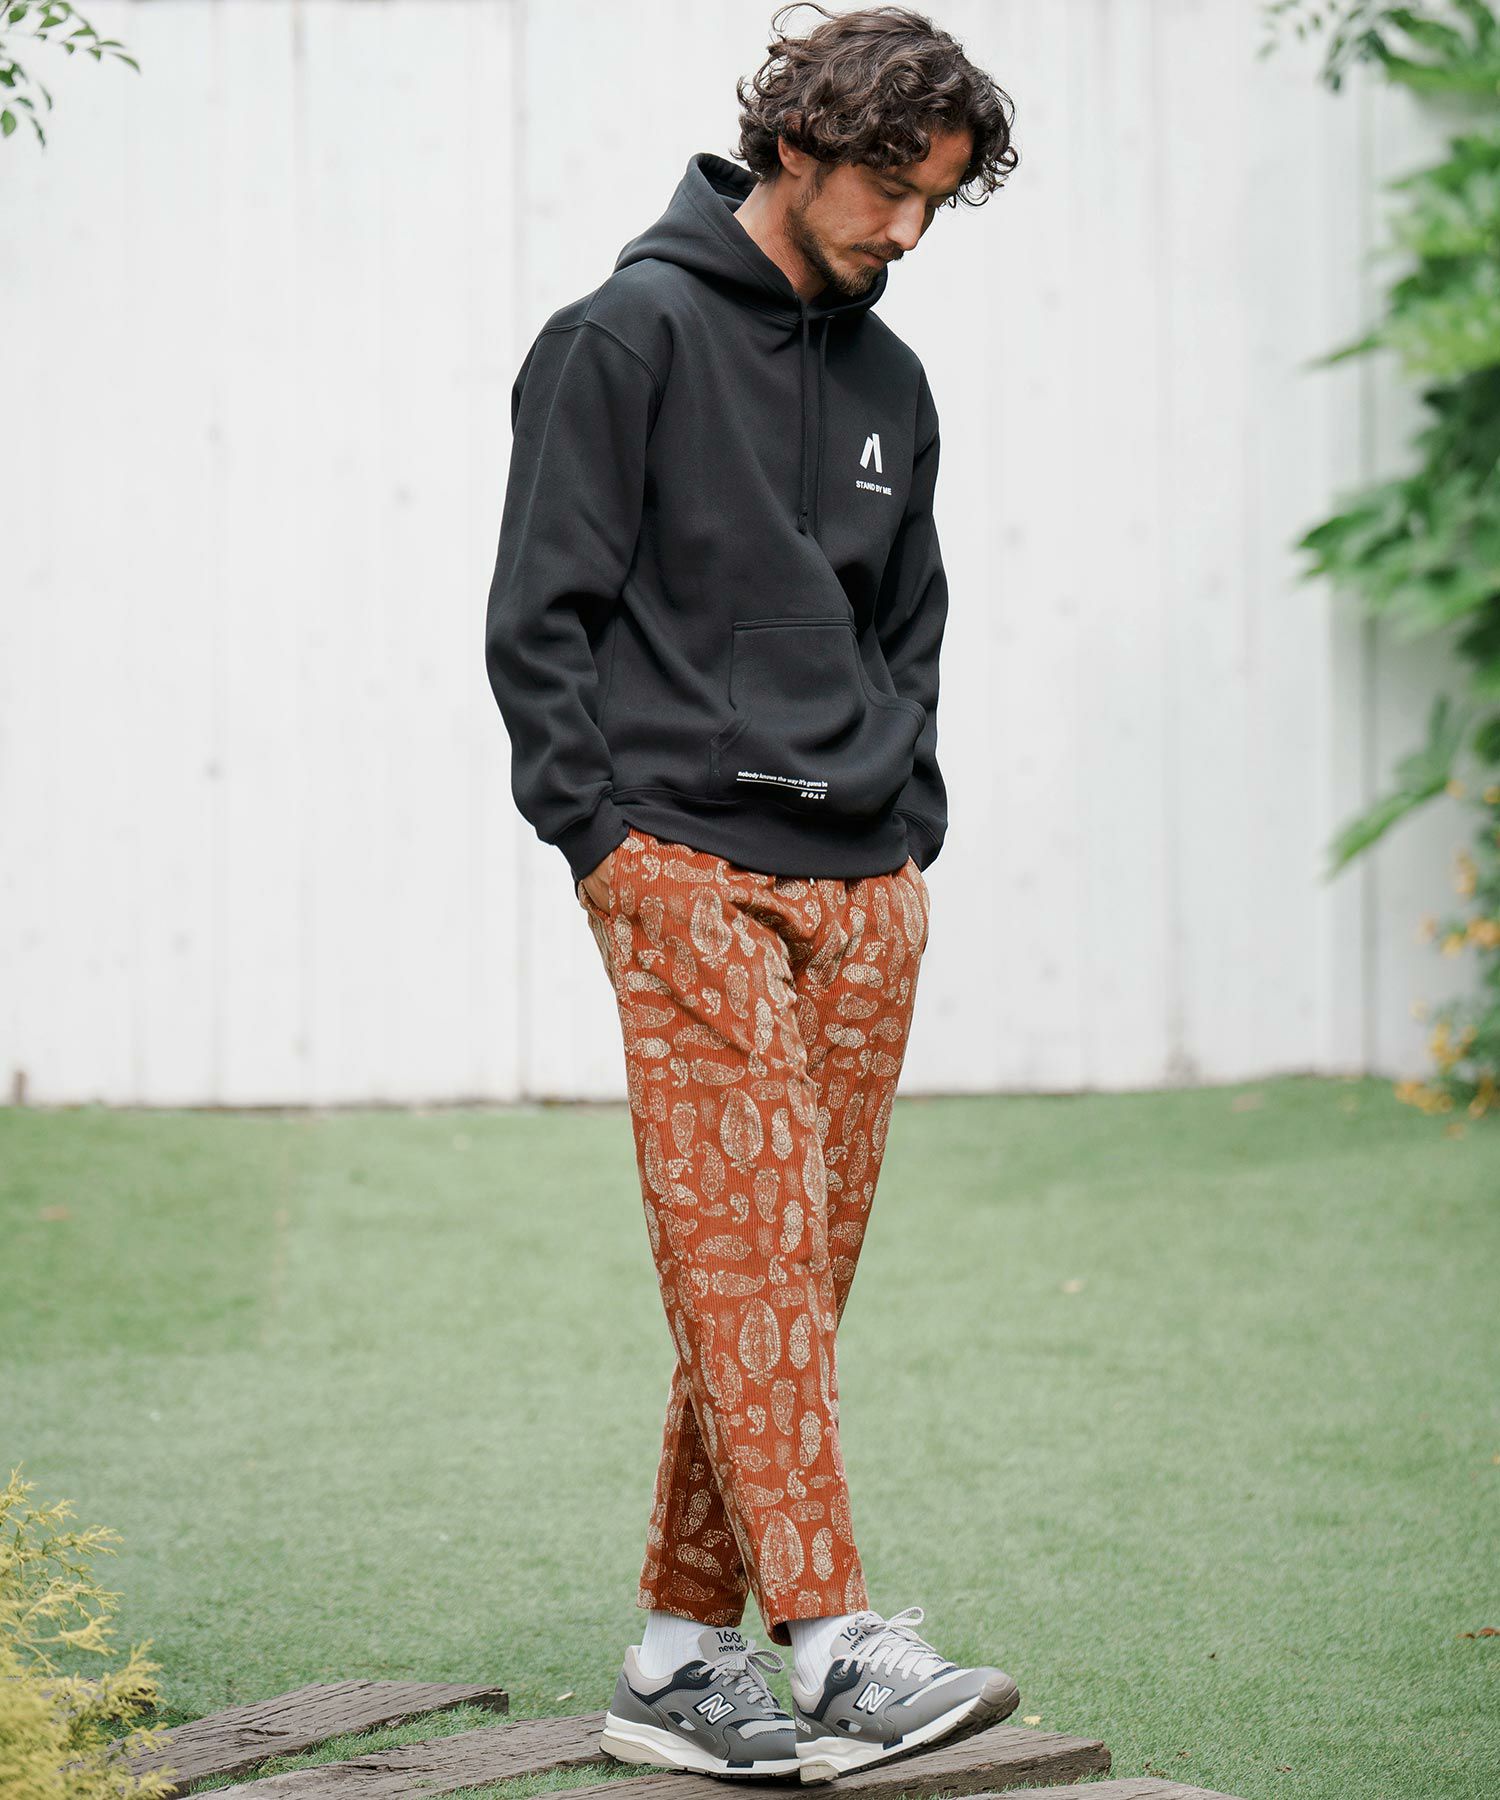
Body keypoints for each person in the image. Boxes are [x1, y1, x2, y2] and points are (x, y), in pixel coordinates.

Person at [484, 2, 1019, 1783]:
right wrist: (602, 840)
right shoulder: (621, 336)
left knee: (782, 1275)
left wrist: (907, 830)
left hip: (861, 881)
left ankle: (673, 1654)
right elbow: (538, 617)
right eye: (889, 189)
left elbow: (909, 625)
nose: (908, 231)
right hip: (683, 865)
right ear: (797, 142)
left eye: (937, 202)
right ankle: (834, 1642)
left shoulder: (892, 382)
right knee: (756, 1256)